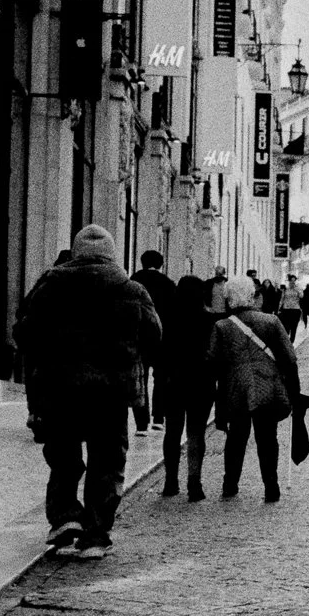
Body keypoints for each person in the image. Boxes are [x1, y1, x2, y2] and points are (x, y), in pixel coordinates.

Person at [13, 225, 162, 559]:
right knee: (107, 461)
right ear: (112, 253)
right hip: (110, 392)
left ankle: (65, 518)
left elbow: (24, 331)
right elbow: (154, 336)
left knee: (64, 456)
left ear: (76, 252)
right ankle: (95, 533)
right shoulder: (132, 290)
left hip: (59, 387)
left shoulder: (51, 285)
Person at [208, 275, 301, 501]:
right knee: (268, 438)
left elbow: (214, 363)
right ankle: (271, 487)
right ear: (251, 296)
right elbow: (289, 358)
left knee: (237, 437)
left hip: (235, 389)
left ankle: (230, 484)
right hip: (267, 387)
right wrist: (295, 392)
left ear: (229, 299)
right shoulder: (271, 322)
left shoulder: (222, 326)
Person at [160, 275, 217, 500]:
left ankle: (170, 482)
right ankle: (194, 484)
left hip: (173, 381)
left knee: (172, 432)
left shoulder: (168, 318)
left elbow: (160, 350)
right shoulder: (209, 320)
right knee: (196, 433)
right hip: (201, 382)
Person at [128, 250, 178, 434]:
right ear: (161, 264)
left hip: (139, 336)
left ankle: (141, 424)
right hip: (163, 338)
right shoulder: (168, 284)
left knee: (140, 377)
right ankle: (158, 418)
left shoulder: (133, 280)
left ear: (141, 262)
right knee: (161, 378)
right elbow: (174, 313)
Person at [278, 277, 303, 342]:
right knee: (286, 327)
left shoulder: (298, 289)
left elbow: (301, 296)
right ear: (289, 281)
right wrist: (279, 308)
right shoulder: (285, 289)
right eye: (291, 281)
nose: (292, 282)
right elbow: (282, 299)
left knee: (294, 327)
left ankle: (291, 342)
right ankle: (286, 342)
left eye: (294, 281)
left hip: (295, 310)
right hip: (286, 310)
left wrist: (297, 289)